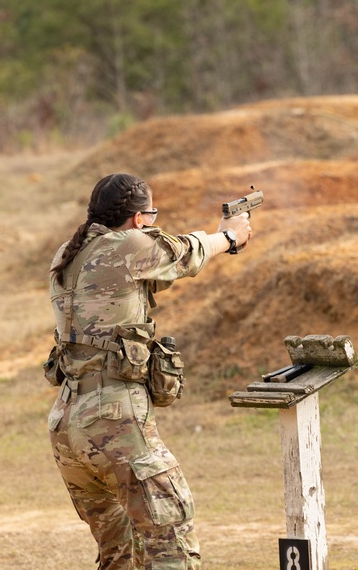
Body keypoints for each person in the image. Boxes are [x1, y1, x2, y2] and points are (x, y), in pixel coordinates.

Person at [45, 172, 252, 569]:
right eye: (151, 216)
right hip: (115, 420)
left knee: (120, 557)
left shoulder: (67, 255)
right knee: (171, 542)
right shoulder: (129, 246)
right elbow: (185, 252)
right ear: (139, 219)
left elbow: (131, 286)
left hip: (68, 425)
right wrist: (228, 236)